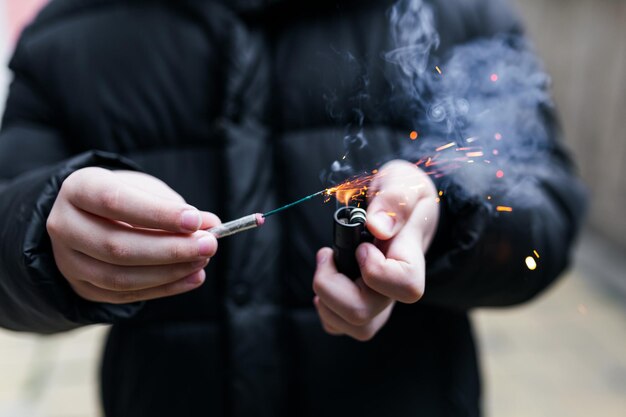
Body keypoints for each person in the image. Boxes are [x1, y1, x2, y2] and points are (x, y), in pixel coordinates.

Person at [0, 0, 586, 416]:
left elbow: (546, 224)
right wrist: (45, 234)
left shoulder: (460, 12)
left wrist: (447, 212)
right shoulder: (67, 32)